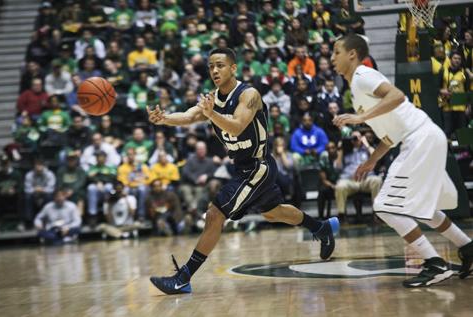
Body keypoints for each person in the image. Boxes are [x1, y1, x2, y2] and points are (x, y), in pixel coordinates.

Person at [147, 48, 339, 295]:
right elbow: (187, 116)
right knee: (273, 213)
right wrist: (164, 119)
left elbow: (237, 126)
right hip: (242, 168)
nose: (214, 71)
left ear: (233, 68)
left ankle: (183, 277)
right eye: (211, 67)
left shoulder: (250, 94)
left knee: (214, 214)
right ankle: (321, 228)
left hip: (258, 167)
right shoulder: (212, 100)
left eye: (220, 65)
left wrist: (211, 113)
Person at [331, 34, 473, 287]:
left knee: (385, 206)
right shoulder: (356, 89)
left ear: (352, 54)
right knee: (425, 209)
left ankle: (435, 263)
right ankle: (468, 247)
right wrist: (371, 162)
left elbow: (396, 96)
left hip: (420, 139)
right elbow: (389, 137)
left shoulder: (364, 75)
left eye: (336, 52)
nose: (332, 58)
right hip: (425, 137)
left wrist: (360, 119)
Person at [0, 155, 24, 233]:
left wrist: (14, 191)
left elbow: (21, 188)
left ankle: (20, 222)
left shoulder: (17, 174)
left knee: (21, 197)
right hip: (2, 198)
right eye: (3, 164)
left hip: (14, 197)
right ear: (0, 165)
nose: (4, 166)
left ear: (9, 163)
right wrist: (1, 192)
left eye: (6, 164)